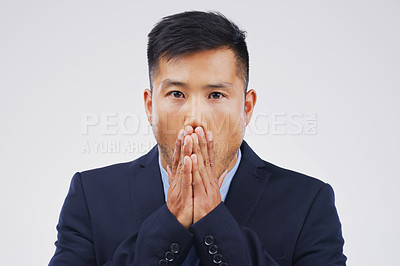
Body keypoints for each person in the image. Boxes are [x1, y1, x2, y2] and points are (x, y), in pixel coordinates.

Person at [49, 10, 347, 266]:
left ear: (247, 107)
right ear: (150, 106)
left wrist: (214, 222)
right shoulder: (91, 196)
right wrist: (169, 224)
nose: (195, 117)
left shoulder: (308, 202)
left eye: (216, 94)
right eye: (176, 94)